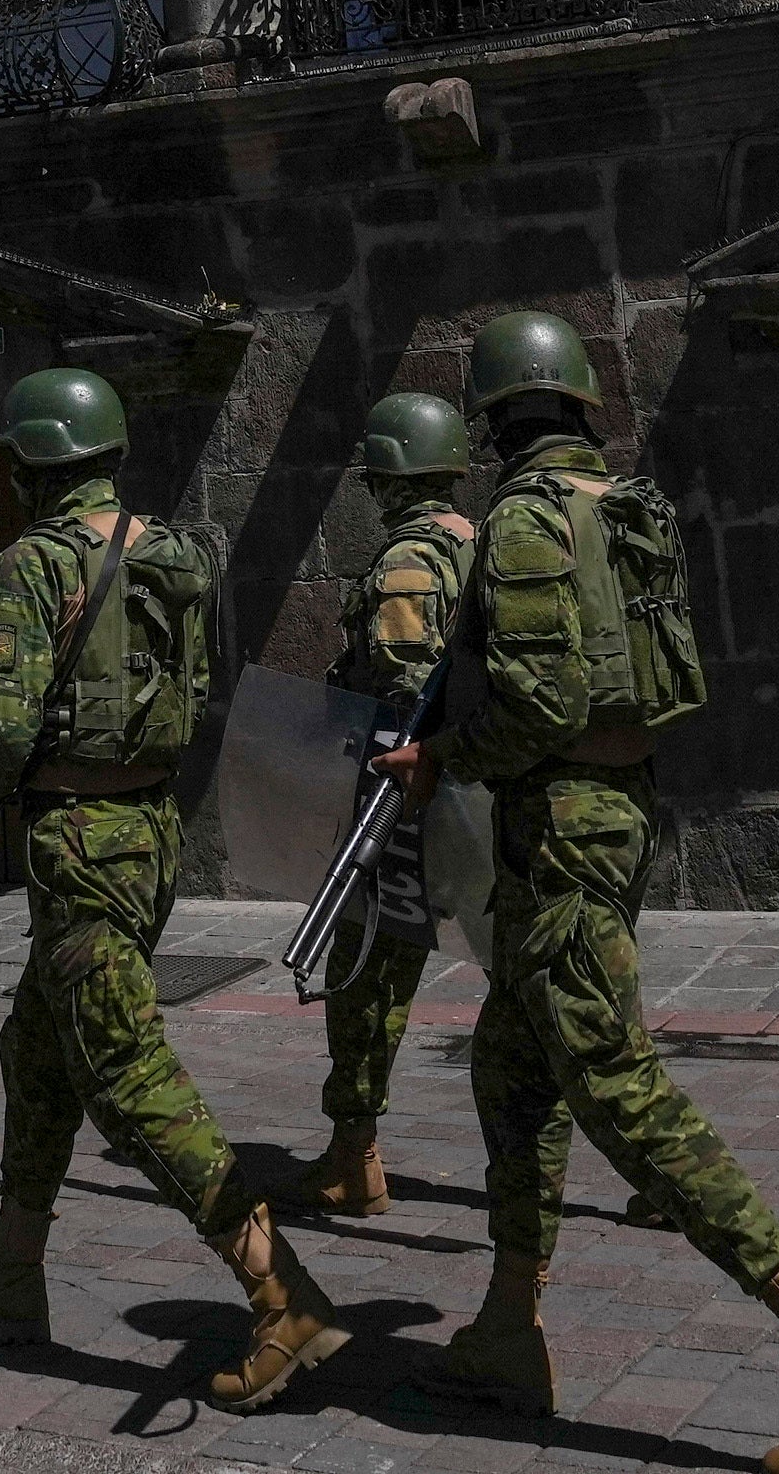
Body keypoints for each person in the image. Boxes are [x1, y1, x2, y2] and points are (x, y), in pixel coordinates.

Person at [395, 312, 779, 1472]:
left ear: (494, 419)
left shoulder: (529, 519)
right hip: (610, 812)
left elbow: (538, 708)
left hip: (565, 820)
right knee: (511, 1067)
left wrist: (443, 760)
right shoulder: (626, 507)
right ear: (579, 402)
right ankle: (504, 1327)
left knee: (618, 1089)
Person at [0, 365, 343, 1416]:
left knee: (126, 1070)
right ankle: (13, 1269)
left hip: (75, 834)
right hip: (149, 826)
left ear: (36, 462)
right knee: (37, 1045)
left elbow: (6, 724)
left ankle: (284, 1295)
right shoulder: (175, 553)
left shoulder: (33, 563)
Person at [302, 389, 473, 1217]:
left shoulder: (410, 560)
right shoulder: (479, 544)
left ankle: (353, 1152)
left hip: (407, 794)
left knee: (365, 969)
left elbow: (408, 688)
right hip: (480, 795)